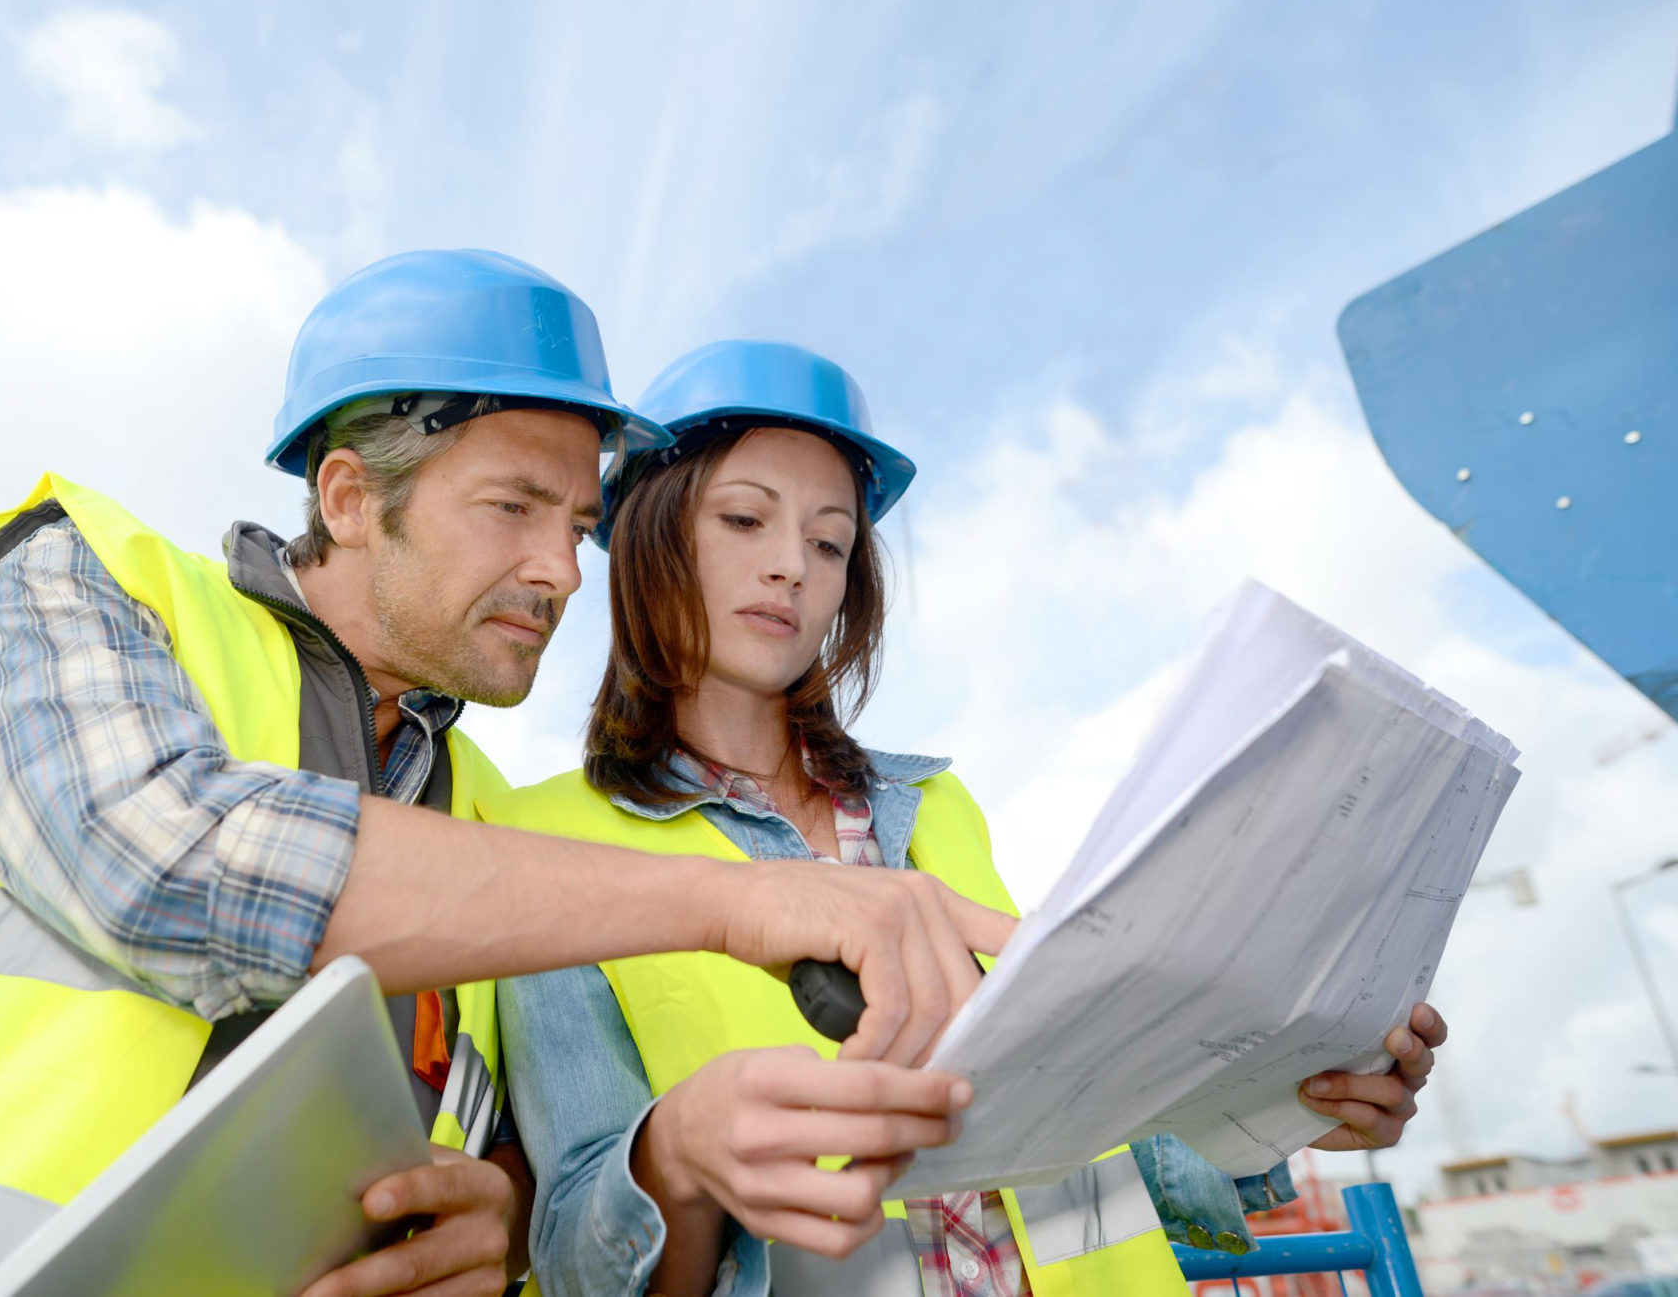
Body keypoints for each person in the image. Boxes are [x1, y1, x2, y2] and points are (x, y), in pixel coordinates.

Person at [0, 257, 1013, 1297]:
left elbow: (489, 1163)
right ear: (350, 496)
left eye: (579, 523)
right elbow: (175, 865)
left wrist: (488, 1227)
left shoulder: (489, 819)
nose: (562, 569)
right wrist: (736, 901)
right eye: (513, 507)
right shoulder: (78, 574)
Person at [487, 340, 1449, 1296]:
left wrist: (1287, 1104)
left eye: (829, 541)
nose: (791, 566)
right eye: (745, 519)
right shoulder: (545, 849)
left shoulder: (939, 808)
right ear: (651, 540)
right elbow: (577, 1251)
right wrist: (680, 1154)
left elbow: (1085, 1128)